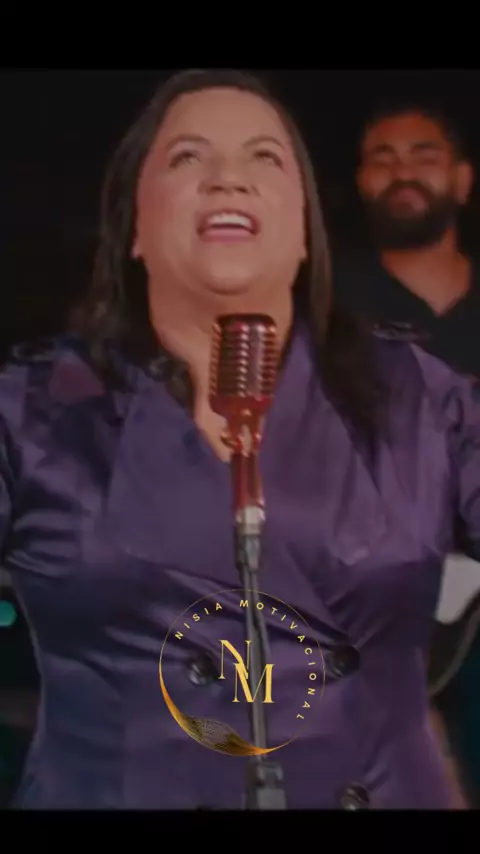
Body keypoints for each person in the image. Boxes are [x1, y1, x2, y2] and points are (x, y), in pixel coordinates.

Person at [3, 68, 480, 810]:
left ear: (305, 229)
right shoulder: (30, 411)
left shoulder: (422, 400)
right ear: (134, 227)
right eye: (187, 157)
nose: (229, 177)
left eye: (264, 157)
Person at [333, 101, 480, 806]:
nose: (402, 172)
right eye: (382, 159)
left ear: (462, 178)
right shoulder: (327, 309)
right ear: (361, 182)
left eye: (423, 155)